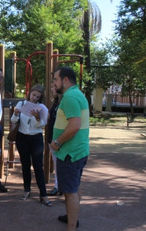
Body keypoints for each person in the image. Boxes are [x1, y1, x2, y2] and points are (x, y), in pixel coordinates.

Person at [50, 67, 89, 231]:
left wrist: (57, 142)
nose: (54, 82)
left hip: (69, 153)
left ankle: (71, 227)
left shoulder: (70, 97)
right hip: (78, 151)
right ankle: (71, 218)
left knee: (70, 192)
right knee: (75, 186)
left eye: (56, 79)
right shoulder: (77, 94)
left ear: (65, 80)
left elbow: (74, 126)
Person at [10, 84, 52, 207]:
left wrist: (37, 118)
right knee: (25, 165)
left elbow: (43, 125)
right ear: (30, 93)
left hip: (36, 138)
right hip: (22, 138)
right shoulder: (22, 104)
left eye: (37, 97)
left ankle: (43, 194)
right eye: (33, 95)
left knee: (38, 166)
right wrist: (16, 113)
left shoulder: (41, 107)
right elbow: (13, 121)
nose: (34, 98)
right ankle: (26, 190)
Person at [47, 82, 62, 196]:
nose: (52, 89)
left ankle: (59, 186)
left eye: (53, 87)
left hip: (58, 139)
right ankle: (59, 185)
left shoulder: (63, 103)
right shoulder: (55, 103)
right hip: (52, 138)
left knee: (60, 164)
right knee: (56, 163)